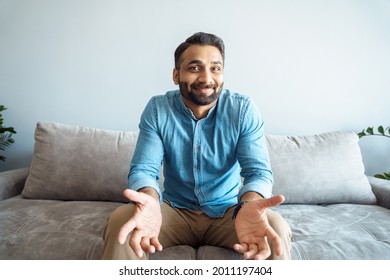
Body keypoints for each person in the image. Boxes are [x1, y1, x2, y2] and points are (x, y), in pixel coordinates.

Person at [101, 32, 292, 260]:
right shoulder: (157, 110)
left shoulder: (243, 110)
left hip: (230, 214)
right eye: (194, 68)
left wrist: (248, 205)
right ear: (176, 74)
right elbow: (144, 170)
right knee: (124, 221)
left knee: (276, 229)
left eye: (215, 68)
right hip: (174, 211)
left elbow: (258, 173)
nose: (206, 78)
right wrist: (150, 201)